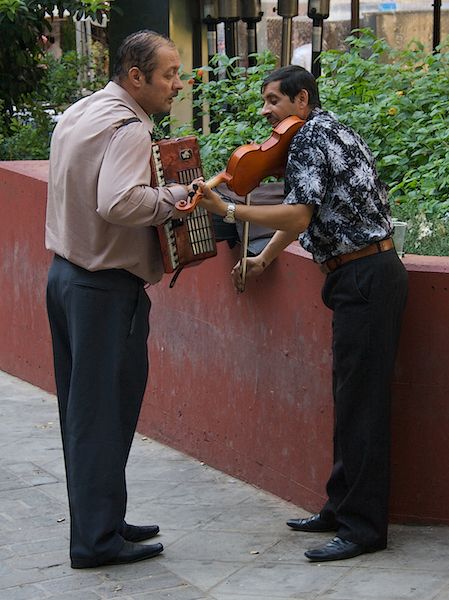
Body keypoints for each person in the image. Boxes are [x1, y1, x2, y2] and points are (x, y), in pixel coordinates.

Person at [195, 65, 408, 563]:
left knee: (363, 406)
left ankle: (364, 529)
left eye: (273, 101)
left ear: (302, 100)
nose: (266, 112)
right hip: (363, 273)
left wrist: (229, 211)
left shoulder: (310, 138)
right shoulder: (330, 130)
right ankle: (341, 505)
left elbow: (298, 214)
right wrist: (266, 257)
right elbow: (313, 208)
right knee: (350, 397)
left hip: (365, 276)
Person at [45, 30, 191, 569]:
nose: (178, 83)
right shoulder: (130, 127)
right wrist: (172, 200)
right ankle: (95, 542)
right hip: (104, 290)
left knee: (83, 416)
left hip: (64, 278)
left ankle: (103, 519)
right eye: (169, 75)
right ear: (137, 77)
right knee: (104, 415)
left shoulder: (83, 111)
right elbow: (119, 201)